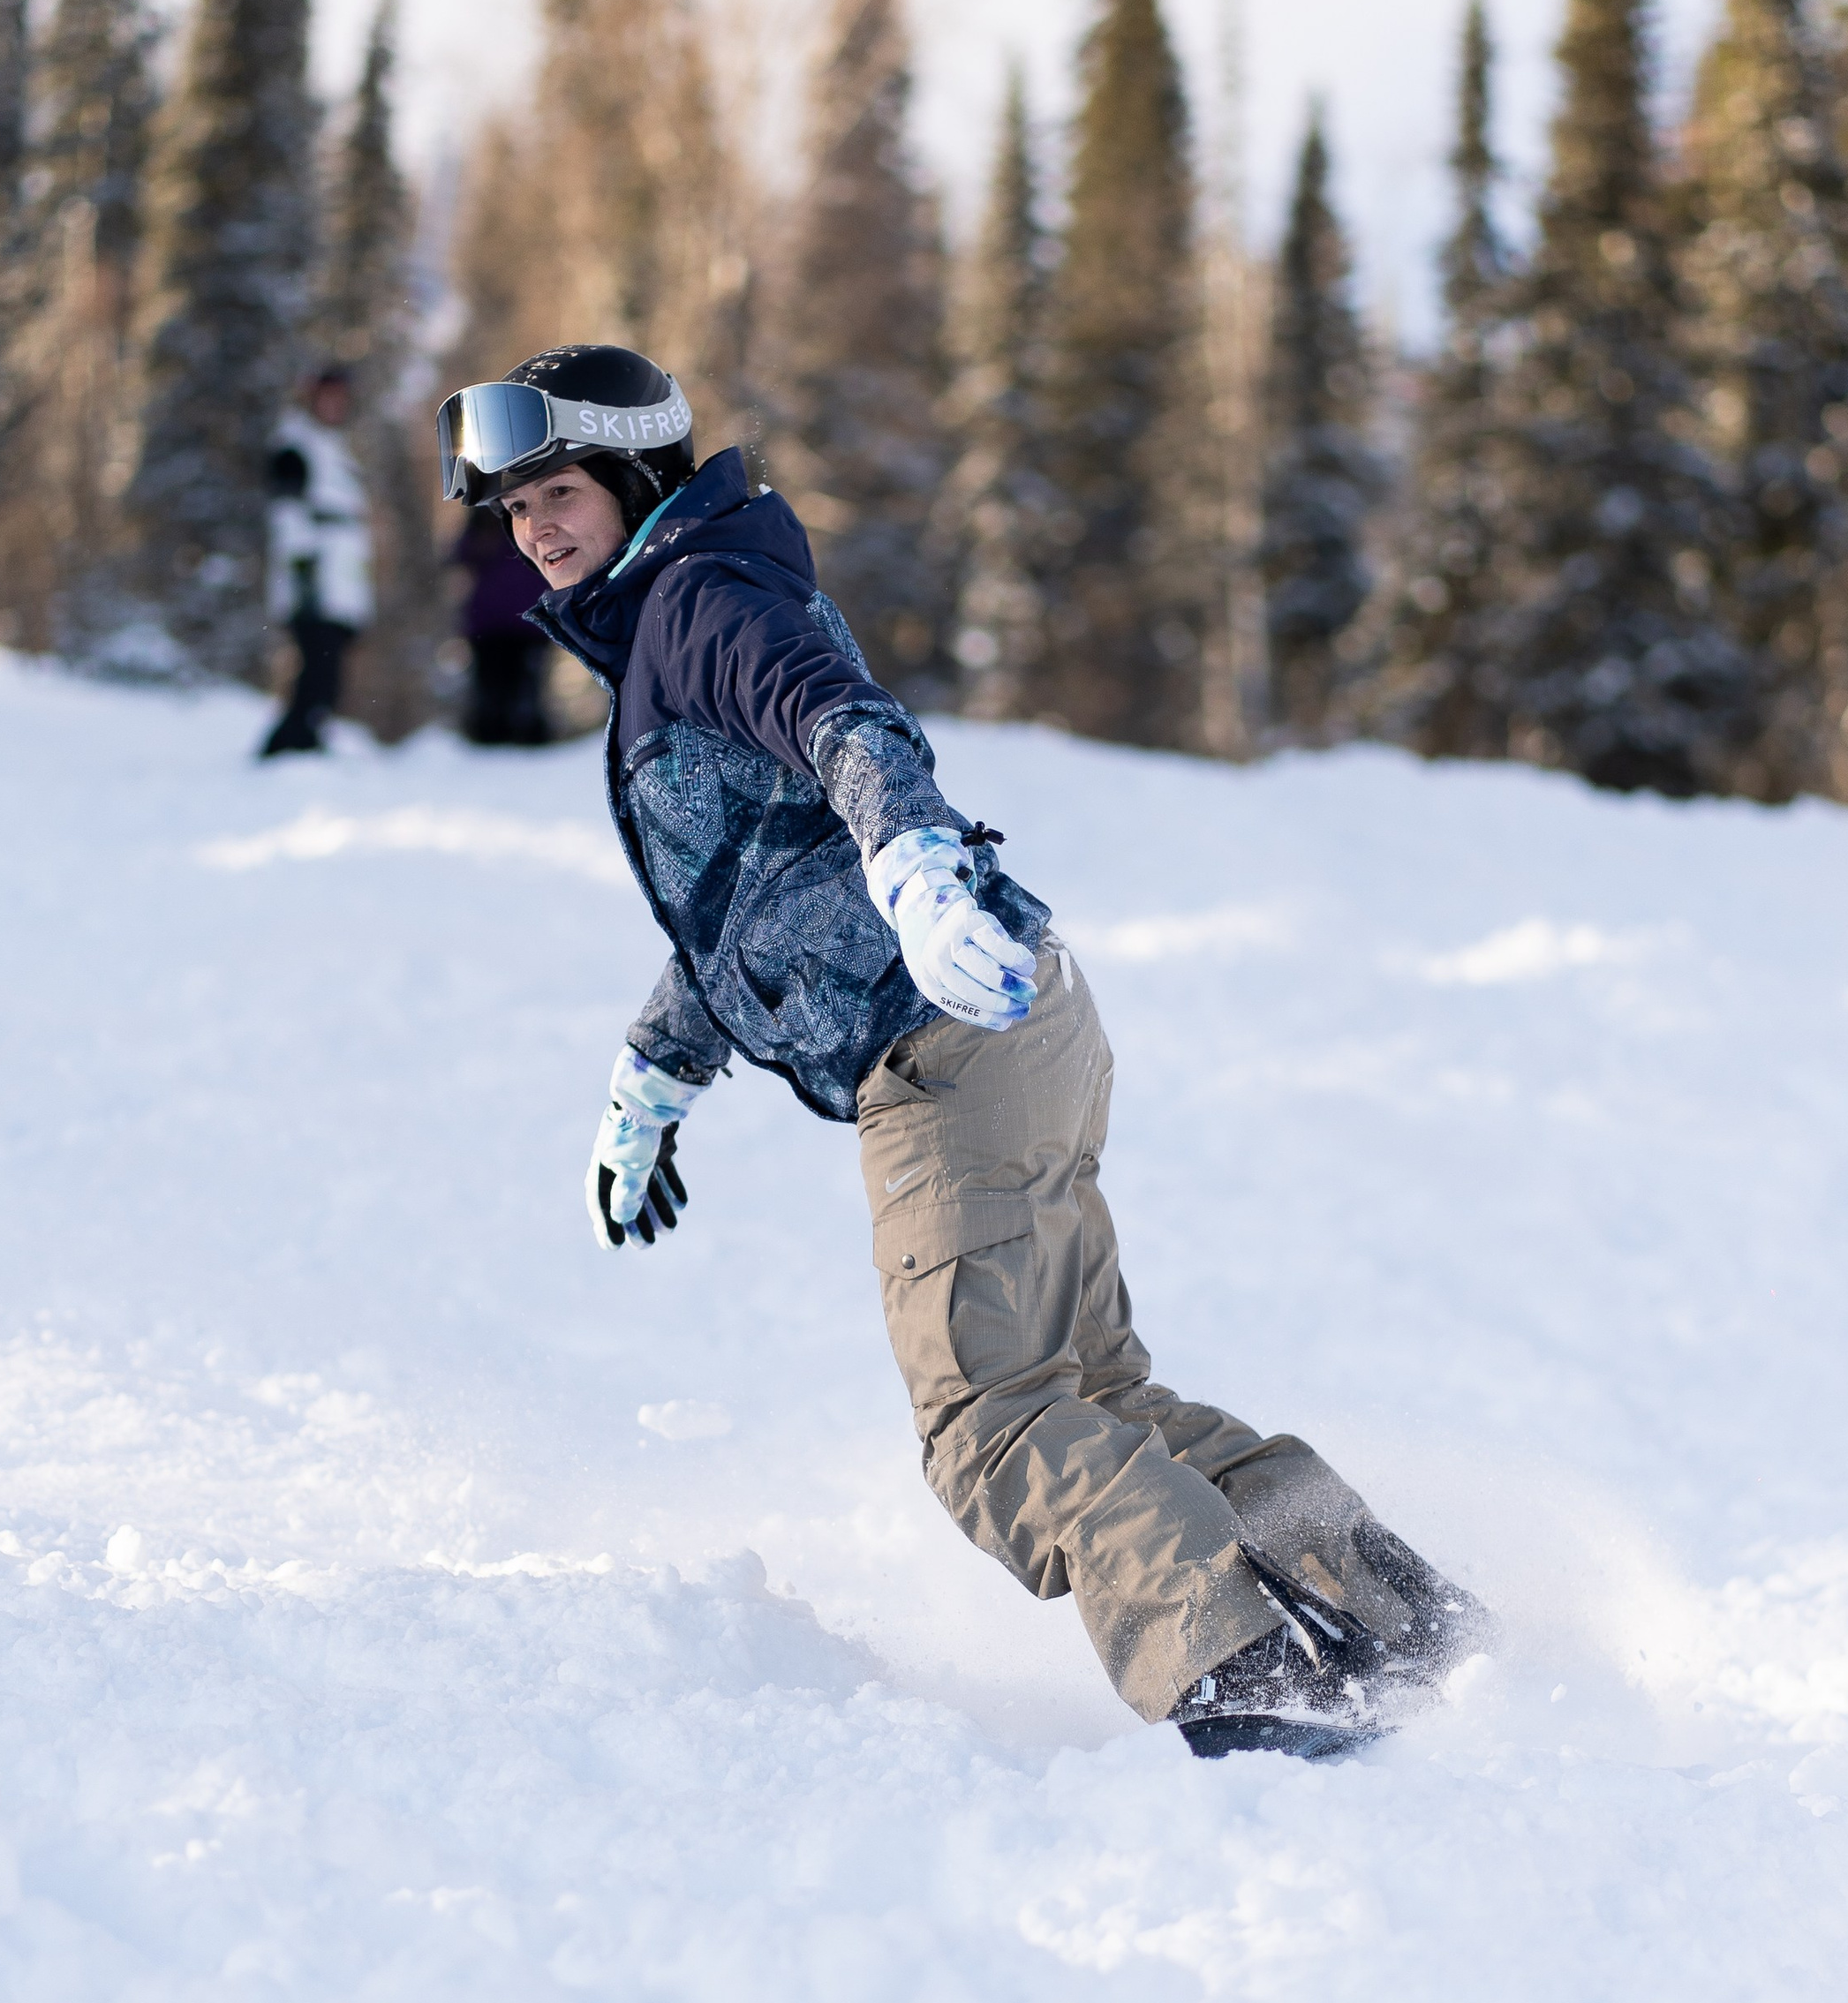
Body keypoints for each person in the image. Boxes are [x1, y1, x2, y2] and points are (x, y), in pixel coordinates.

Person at [435, 342, 1485, 1758]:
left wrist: (920, 858)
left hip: (942, 1044)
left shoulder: (699, 604)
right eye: (512, 513)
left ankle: (1258, 1696)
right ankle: (1406, 1620)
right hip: (1020, 1013)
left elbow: (841, 723)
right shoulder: (692, 601)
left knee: (995, 1432)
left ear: (635, 479)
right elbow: (751, 887)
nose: (536, 531)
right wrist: (656, 1071)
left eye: (557, 492)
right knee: (1094, 1399)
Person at [261, 365, 372, 757]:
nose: (336, 404)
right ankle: (291, 745)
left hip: (340, 576)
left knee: (330, 670)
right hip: (315, 577)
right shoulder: (296, 444)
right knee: (316, 668)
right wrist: (303, 568)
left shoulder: (336, 445)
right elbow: (286, 512)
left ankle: (307, 739)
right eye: (329, 396)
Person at [451, 510, 553, 746]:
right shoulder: (482, 520)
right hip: (490, 624)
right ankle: (490, 736)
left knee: (526, 686)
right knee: (491, 685)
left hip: (526, 621)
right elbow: (461, 553)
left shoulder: (531, 519)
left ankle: (526, 735)